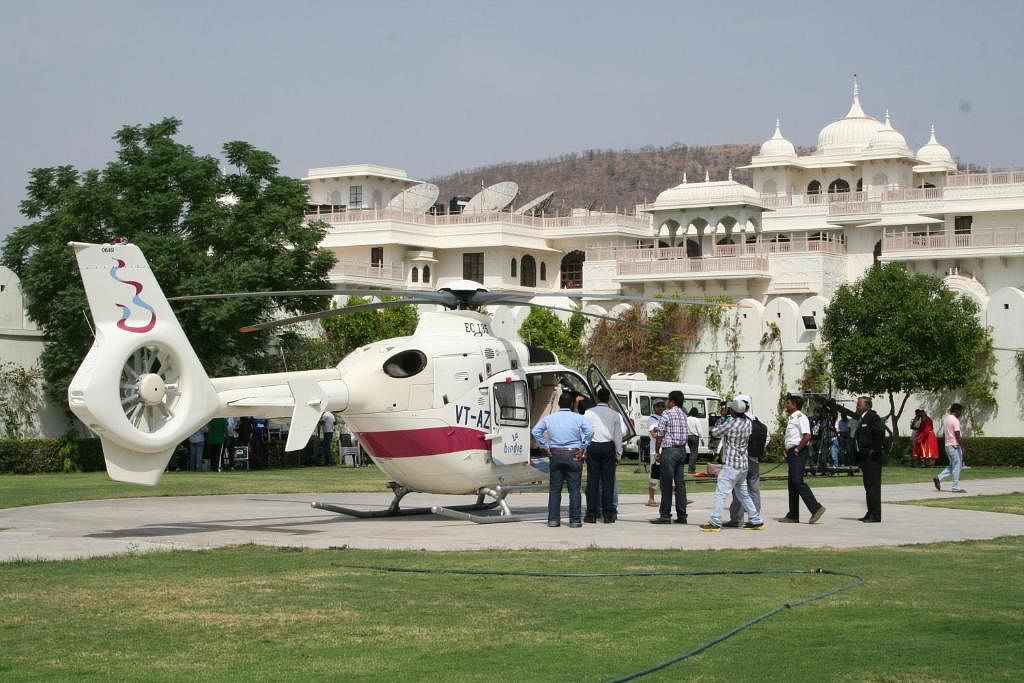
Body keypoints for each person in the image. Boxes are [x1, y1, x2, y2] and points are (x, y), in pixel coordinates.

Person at [700, 398, 764, 531]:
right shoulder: (748, 423)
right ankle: (755, 519)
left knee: (721, 493)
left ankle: (715, 521)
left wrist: (723, 418)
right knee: (743, 494)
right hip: (743, 464)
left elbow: (715, 433)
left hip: (731, 464)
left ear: (733, 411)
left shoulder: (731, 423)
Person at [532, 392, 594, 528]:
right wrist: (583, 446)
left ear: (559, 403)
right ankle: (575, 520)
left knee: (555, 489)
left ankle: (553, 519)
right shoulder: (578, 418)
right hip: (573, 454)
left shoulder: (550, 418)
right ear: (572, 404)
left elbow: (536, 431)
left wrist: (545, 445)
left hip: (555, 454)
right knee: (574, 489)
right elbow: (590, 431)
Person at [778, 395, 826, 524]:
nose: (786, 406)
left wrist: (797, 449)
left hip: (798, 452)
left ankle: (816, 508)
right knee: (792, 484)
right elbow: (792, 437)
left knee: (797, 481)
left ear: (794, 404)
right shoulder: (792, 418)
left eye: (788, 403)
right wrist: (787, 449)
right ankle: (793, 515)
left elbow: (807, 435)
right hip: (792, 451)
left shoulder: (801, 417)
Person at [723, 394, 768, 528]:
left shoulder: (740, 422)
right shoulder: (759, 423)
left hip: (741, 460)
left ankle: (737, 518)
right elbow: (768, 438)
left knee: (738, 489)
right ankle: (755, 517)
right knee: (754, 489)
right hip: (755, 459)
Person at [584, 388, 626, 524]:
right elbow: (618, 436)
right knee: (608, 482)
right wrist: (618, 454)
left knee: (592, 481)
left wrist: (583, 449)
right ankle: (608, 514)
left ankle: (591, 513)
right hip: (608, 447)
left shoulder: (588, 413)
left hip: (593, 446)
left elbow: (583, 432)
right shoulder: (614, 414)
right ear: (609, 399)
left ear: (596, 398)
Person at [650, 390, 689, 525]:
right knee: (680, 484)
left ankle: (665, 515)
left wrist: (657, 451)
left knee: (666, 484)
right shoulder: (684, 414)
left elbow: (660, 435)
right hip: (682, 451)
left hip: (670, 451)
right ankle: (682, 515)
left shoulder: (667, 413)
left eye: (668, 400)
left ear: (672, 401)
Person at [853, 396, 885, 522]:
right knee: (868, 487)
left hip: (872, 458)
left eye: (859, 405)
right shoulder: (862, 418)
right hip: (864, 458)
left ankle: (876, 515)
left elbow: (880, 434)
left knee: (873, 487)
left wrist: (874, 449)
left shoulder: (872, 417)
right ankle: (870, 511)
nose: (857, 406)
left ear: (867, 405)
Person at [934, 403, 967, 493]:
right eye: (960, 411)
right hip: (954, 445)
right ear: (956, 411)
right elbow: (957, 435)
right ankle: (955, 487)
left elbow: (945, 433)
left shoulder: (946, 419)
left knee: (953, 465)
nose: (960, 413)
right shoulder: (955, 420)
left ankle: (939, 478)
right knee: (957, 466)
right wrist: (962, 447)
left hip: (948, 445)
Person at [646, 401, 665, 507]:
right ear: (654, 408)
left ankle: (680, 498)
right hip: (655, 452)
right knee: (654, 476)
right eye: (658, 406)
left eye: (662, 406)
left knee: (669, 476)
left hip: (665, 450)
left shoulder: (664, 418)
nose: (661, 408)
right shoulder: (652, 419)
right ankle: (651, 498)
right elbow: (653, 434)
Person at [685, 407, 703, 473]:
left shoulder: (686, 419)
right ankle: (691, 468)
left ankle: (691, 467)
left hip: (688, 437)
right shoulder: (696, 420)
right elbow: (699, 430)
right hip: (695, 437)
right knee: (694, 453)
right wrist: (701, 438)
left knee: (692, 452)